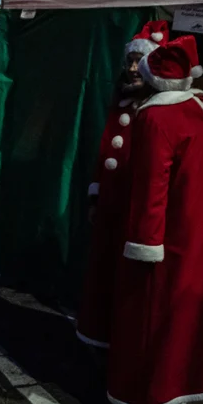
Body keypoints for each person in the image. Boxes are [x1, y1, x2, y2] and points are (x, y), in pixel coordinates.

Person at [107, 35, 203, 404]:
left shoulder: (155, 117)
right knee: (187, 318)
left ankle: (145, 395)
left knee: (151, 317)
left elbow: (152, 186)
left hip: (167, 237)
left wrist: (144, 241)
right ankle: (182, 388)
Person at [76, 20, 167, 350]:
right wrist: (96, 195)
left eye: (137, 61)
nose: (131, 68)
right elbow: (106, 152)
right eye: (128, 61)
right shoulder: (123, 103)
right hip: (113, 204)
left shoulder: (159, 110)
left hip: (139, 209)